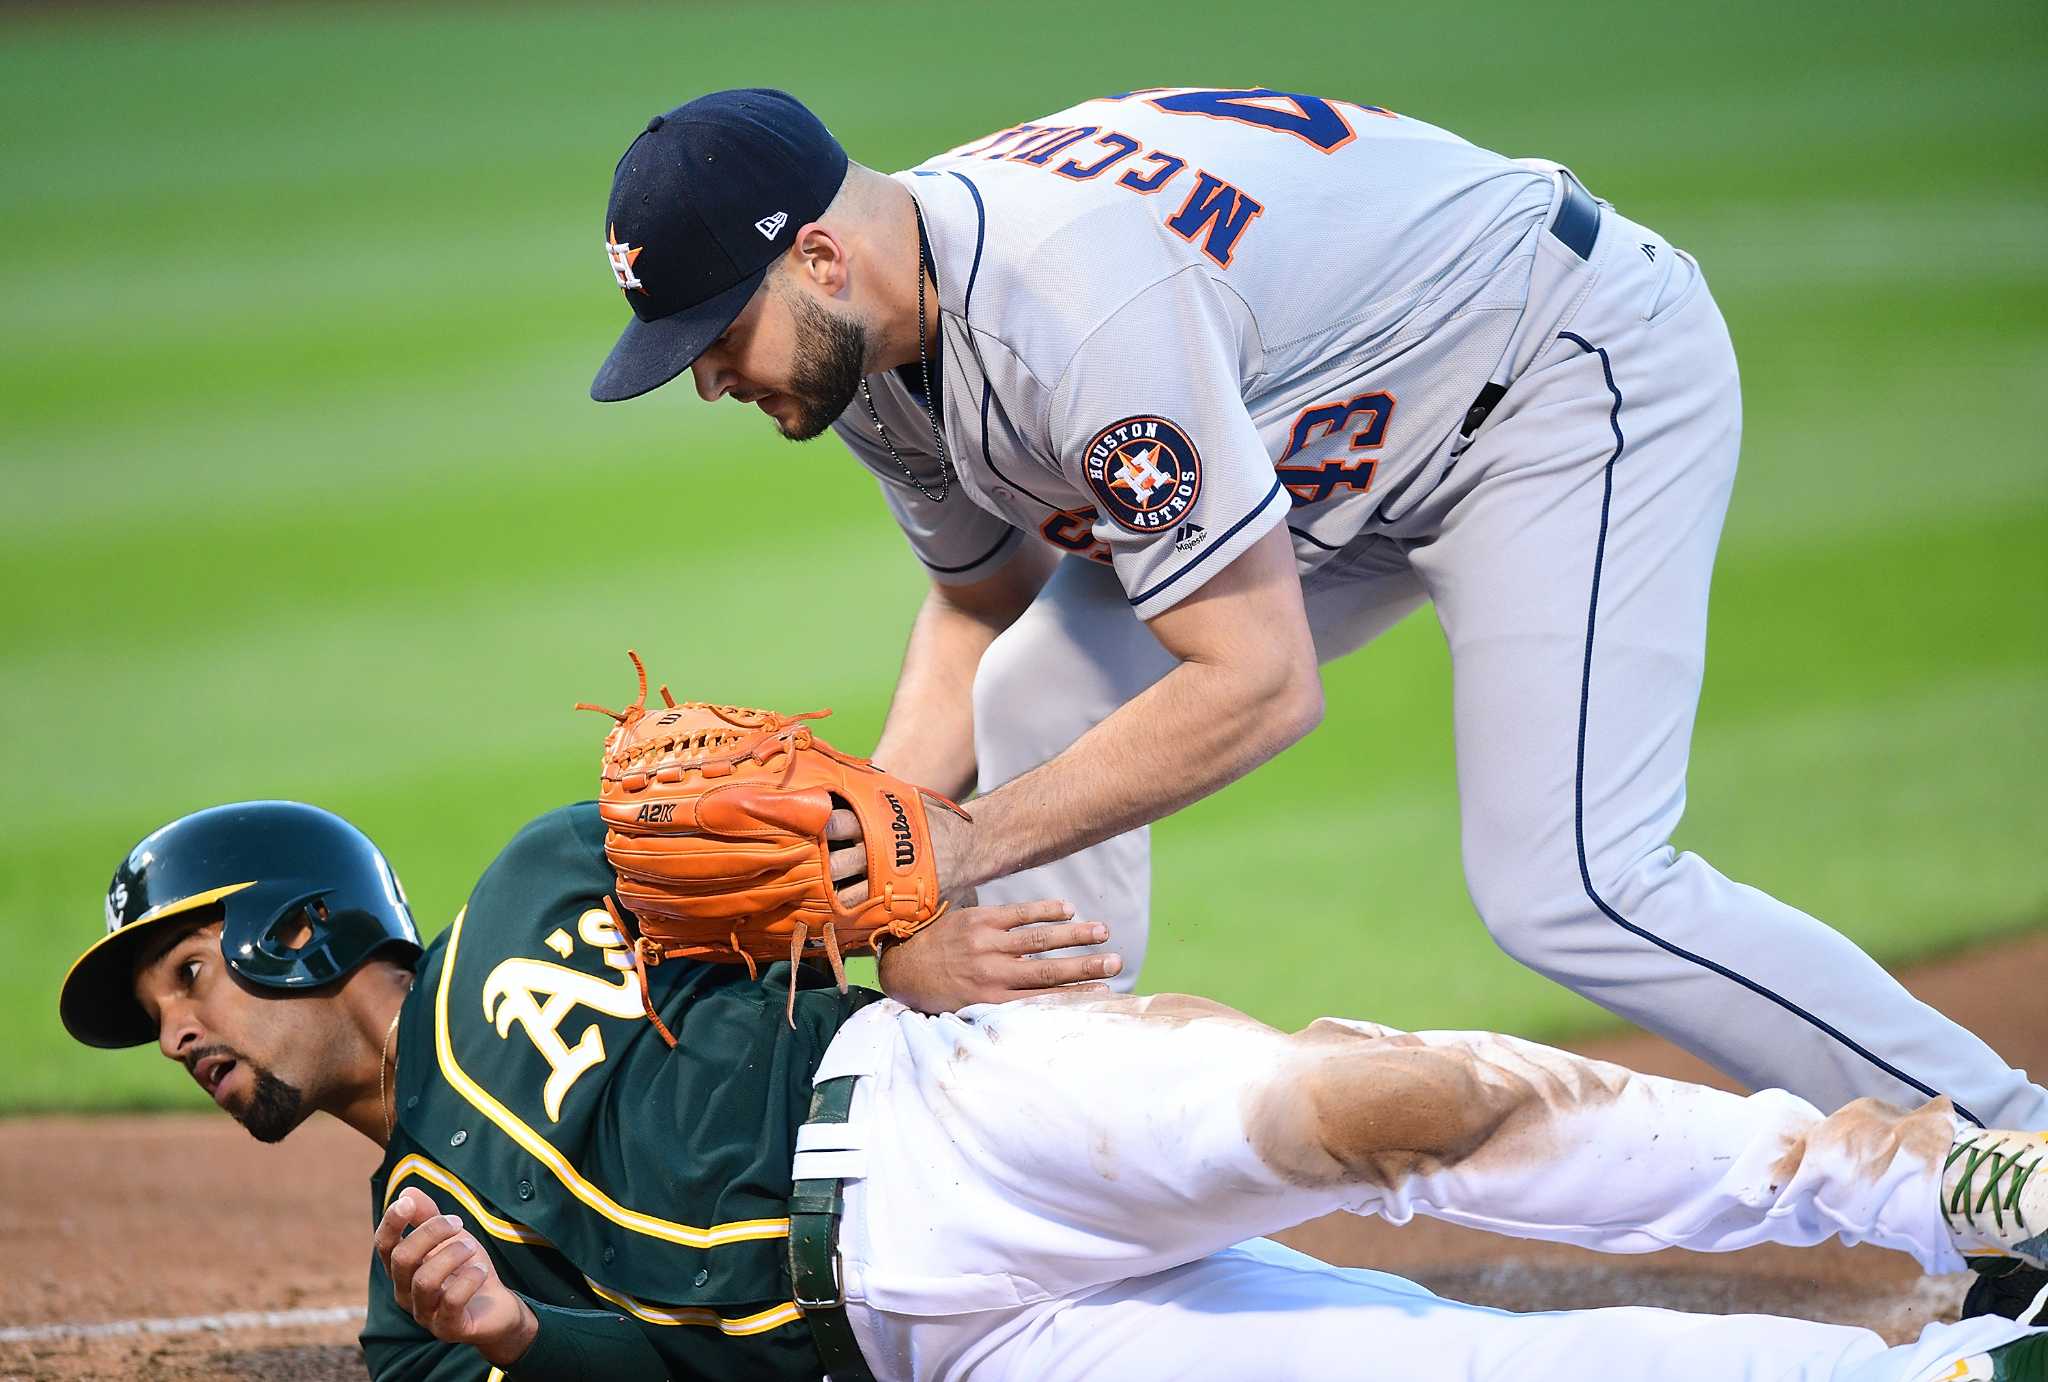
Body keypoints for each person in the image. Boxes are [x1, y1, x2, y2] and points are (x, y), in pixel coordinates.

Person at [584, 89, 2048, 1180]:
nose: (707, 379)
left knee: (1575, 883)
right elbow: (980, 605)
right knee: (1041, 682)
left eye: (715, 337)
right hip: (1328, 452)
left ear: (824, 260)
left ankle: (2016, 1159)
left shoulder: (1074, 306)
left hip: (1550, 378)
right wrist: (869, 842)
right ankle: (1071, 1156)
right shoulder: (871, 358)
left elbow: (1261, 684)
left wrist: (962, 848)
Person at [60, 797, 2048, 1379]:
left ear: (304, 928)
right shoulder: (415, 1290)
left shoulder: (529, 882)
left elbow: (795, 846)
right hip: (936, 1351)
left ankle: (1963, 1195)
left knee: (1392, 1107)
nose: (174, 1023)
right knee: (1442, 1381)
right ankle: (1955, 1379)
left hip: (949, 1107)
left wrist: (893, 927)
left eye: (179, 967)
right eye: (154, 1003)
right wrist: (509, 1337)